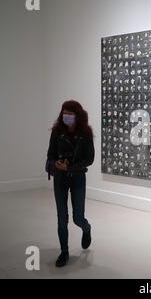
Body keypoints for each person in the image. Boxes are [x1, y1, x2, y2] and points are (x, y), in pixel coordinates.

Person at [47, 100, 95, 267]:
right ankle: (64, 252)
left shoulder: (86, 133)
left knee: (77, 217)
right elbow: (50, 155)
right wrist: (55, 164)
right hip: (60, 178)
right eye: (64, 113)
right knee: (62, 218)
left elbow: (89, 159)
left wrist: (71, 166)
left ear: (77, 115)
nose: (66, 116)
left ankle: (86, 228)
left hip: (78, 178)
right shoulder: (56, 132)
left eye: (70, 113)